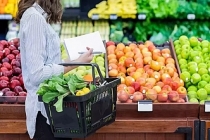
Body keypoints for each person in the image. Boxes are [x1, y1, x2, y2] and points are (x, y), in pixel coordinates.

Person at [15, 0, 94, 140]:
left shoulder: (38, 16)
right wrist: (75, 63)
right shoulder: (34, 18)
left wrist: (73, 60)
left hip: (52, 110)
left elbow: (46, 63)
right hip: (44, 112)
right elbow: (37, 74)